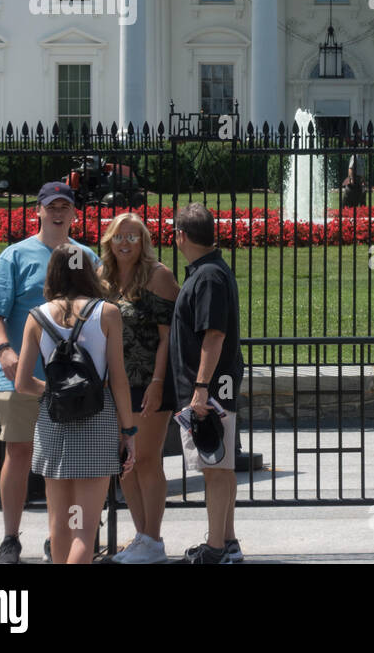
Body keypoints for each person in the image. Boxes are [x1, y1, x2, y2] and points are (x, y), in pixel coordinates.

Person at [0, 180, 100, 564]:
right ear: (38, 211)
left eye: (65, 206)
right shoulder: (14, 256)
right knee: (18, 453)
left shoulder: (85, 256)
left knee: (67, 462)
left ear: (75, 212)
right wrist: (4, 351)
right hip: (22, 375)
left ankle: (58, 537)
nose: (59, 212)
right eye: (52, 206)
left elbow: (100, 309)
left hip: (73, 381)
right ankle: (10, 538)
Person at [13, 245, 137, 564]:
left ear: (53, 272)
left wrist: (55, 391)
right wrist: (128, 430)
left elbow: (22, 382)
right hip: (97, 421)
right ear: (87, 271)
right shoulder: (107, 312)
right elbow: (119, 379)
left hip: (53, 422)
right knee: (83, 528)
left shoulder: (36, 317)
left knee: (61, 525)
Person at [98, 212, 180, 564]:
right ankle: (142, 537)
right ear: (109, 242)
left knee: (146, 459)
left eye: (133, 236)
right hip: (114, 385)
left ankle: (154, 539)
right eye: (119, 236)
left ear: (144, 241)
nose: (125, 242)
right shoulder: (102, 278)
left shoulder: (158, 276)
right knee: (125, 463)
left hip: (149, 384)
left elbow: (169, 336)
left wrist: (159, 383)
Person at [169, 203, 244, 564]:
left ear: (181, 235)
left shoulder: (208, 276)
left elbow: (214, 334)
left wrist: (200, 389)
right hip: (217, 387)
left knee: (214, 470)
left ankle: (215, 548)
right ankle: (227, 542)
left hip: (210, 390)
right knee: (223, 467)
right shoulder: (210, 271)